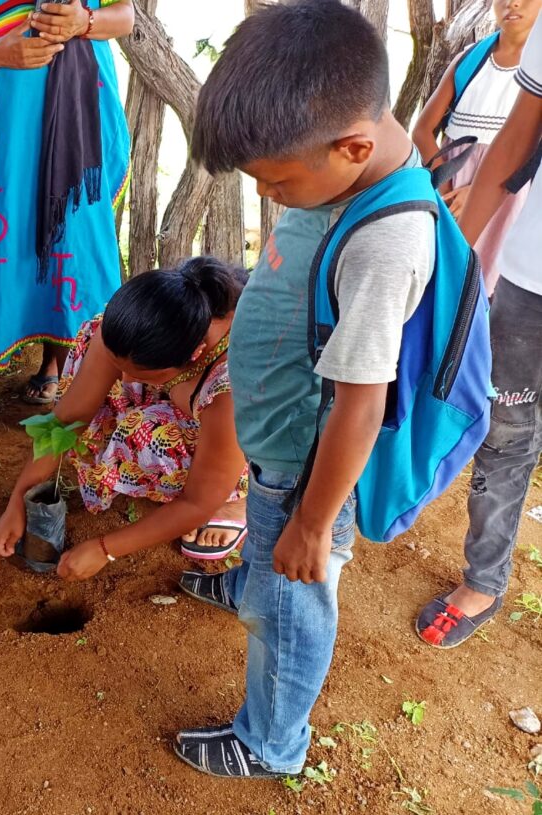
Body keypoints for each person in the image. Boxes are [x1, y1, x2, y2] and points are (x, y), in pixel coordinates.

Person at [173, 0, 436, 780]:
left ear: (353, 145)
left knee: (293, 603)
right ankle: (256, 575)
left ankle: (270, 741)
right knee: (272, 563)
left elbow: (362, 402)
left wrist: (314, 525)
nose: (272, 199)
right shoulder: (328, 172)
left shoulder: (387, 242)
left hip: (305, 465)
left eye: (277, 184)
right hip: (279, 437)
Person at [0, 257, 250, 575]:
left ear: (194, 355)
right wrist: (18, 498)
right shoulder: (139, 328)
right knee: (94, 379)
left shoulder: (232, 387)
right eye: (120, 368)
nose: (125, 381)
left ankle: (241, 499)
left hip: (265, 442)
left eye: (141, 375)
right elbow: (65, 421)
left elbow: (198, 502)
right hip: (191, 400)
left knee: (145, 434)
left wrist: (104, 549)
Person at [415, 14, 542, 648]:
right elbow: (517, 144)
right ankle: (486, 579)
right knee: (508, 425)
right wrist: (455, 251)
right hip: (530, 278)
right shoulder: (508, 53)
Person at [0, 0, 132, 402]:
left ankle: (89, 369)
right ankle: (52, 359)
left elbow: (125, 16)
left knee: (77, 234)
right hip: (11, 120)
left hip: (79, 114)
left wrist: (85, 20)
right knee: (26, 229)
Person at [412, 0, 541, 292]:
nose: (513, 3)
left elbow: (523, 150)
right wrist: (444, 185)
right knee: (442, 278)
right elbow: (422, 129)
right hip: (450, 194)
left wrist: (477, 191)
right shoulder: (469, 61)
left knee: (485, 285)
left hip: (506, 200)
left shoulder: (536, 74)